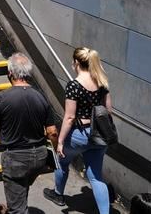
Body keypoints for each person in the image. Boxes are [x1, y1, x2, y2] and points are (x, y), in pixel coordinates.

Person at [0, 53, 58, 214]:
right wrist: (56, 149)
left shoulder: (1, 98)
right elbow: (52, 131)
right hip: (39, 157)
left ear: (10, 73)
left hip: (16, 159)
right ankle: (13, 206)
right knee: (21, 188)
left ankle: (14, 208)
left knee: (18, 207)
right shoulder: (41, 96)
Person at [44, 47, 113, 214]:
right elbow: (108, 111)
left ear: (76, 63)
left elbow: (69, 118)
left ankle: (58, 195)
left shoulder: (74, 85)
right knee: (96, 177)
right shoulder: (102, 82)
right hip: (99, 135)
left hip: (79, 134)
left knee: (62, 162)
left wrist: (59, 142)